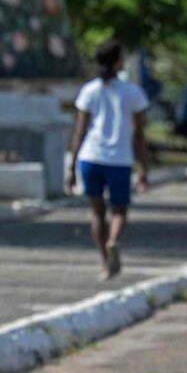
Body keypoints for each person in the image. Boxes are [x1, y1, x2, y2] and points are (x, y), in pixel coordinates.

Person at [66, 42, 151, 279]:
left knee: (97, 213)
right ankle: (113, 240)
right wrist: (143, 167)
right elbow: (139, 134)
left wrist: (71, 168)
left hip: (90, 157)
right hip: (119, 160)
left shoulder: (90, 90)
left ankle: (105, 261)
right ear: (117, 62)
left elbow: (79, 132)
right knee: (119, 211)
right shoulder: (132, 92)